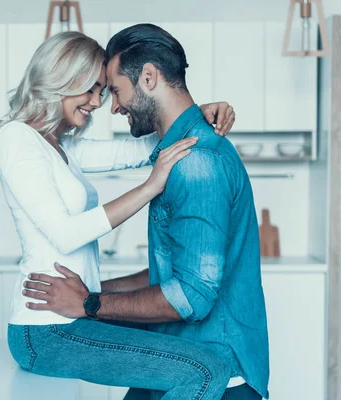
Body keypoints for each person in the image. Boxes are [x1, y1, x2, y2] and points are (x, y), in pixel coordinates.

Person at [22, 25, 269, 400]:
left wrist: (90, 304)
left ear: (149, 77)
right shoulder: (181, 151)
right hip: (178, 361)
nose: (114, 106)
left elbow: (190, 296)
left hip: (217, 378)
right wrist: (89, 292)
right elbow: (169, 275)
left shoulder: (197, 163)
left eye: (117, 90)